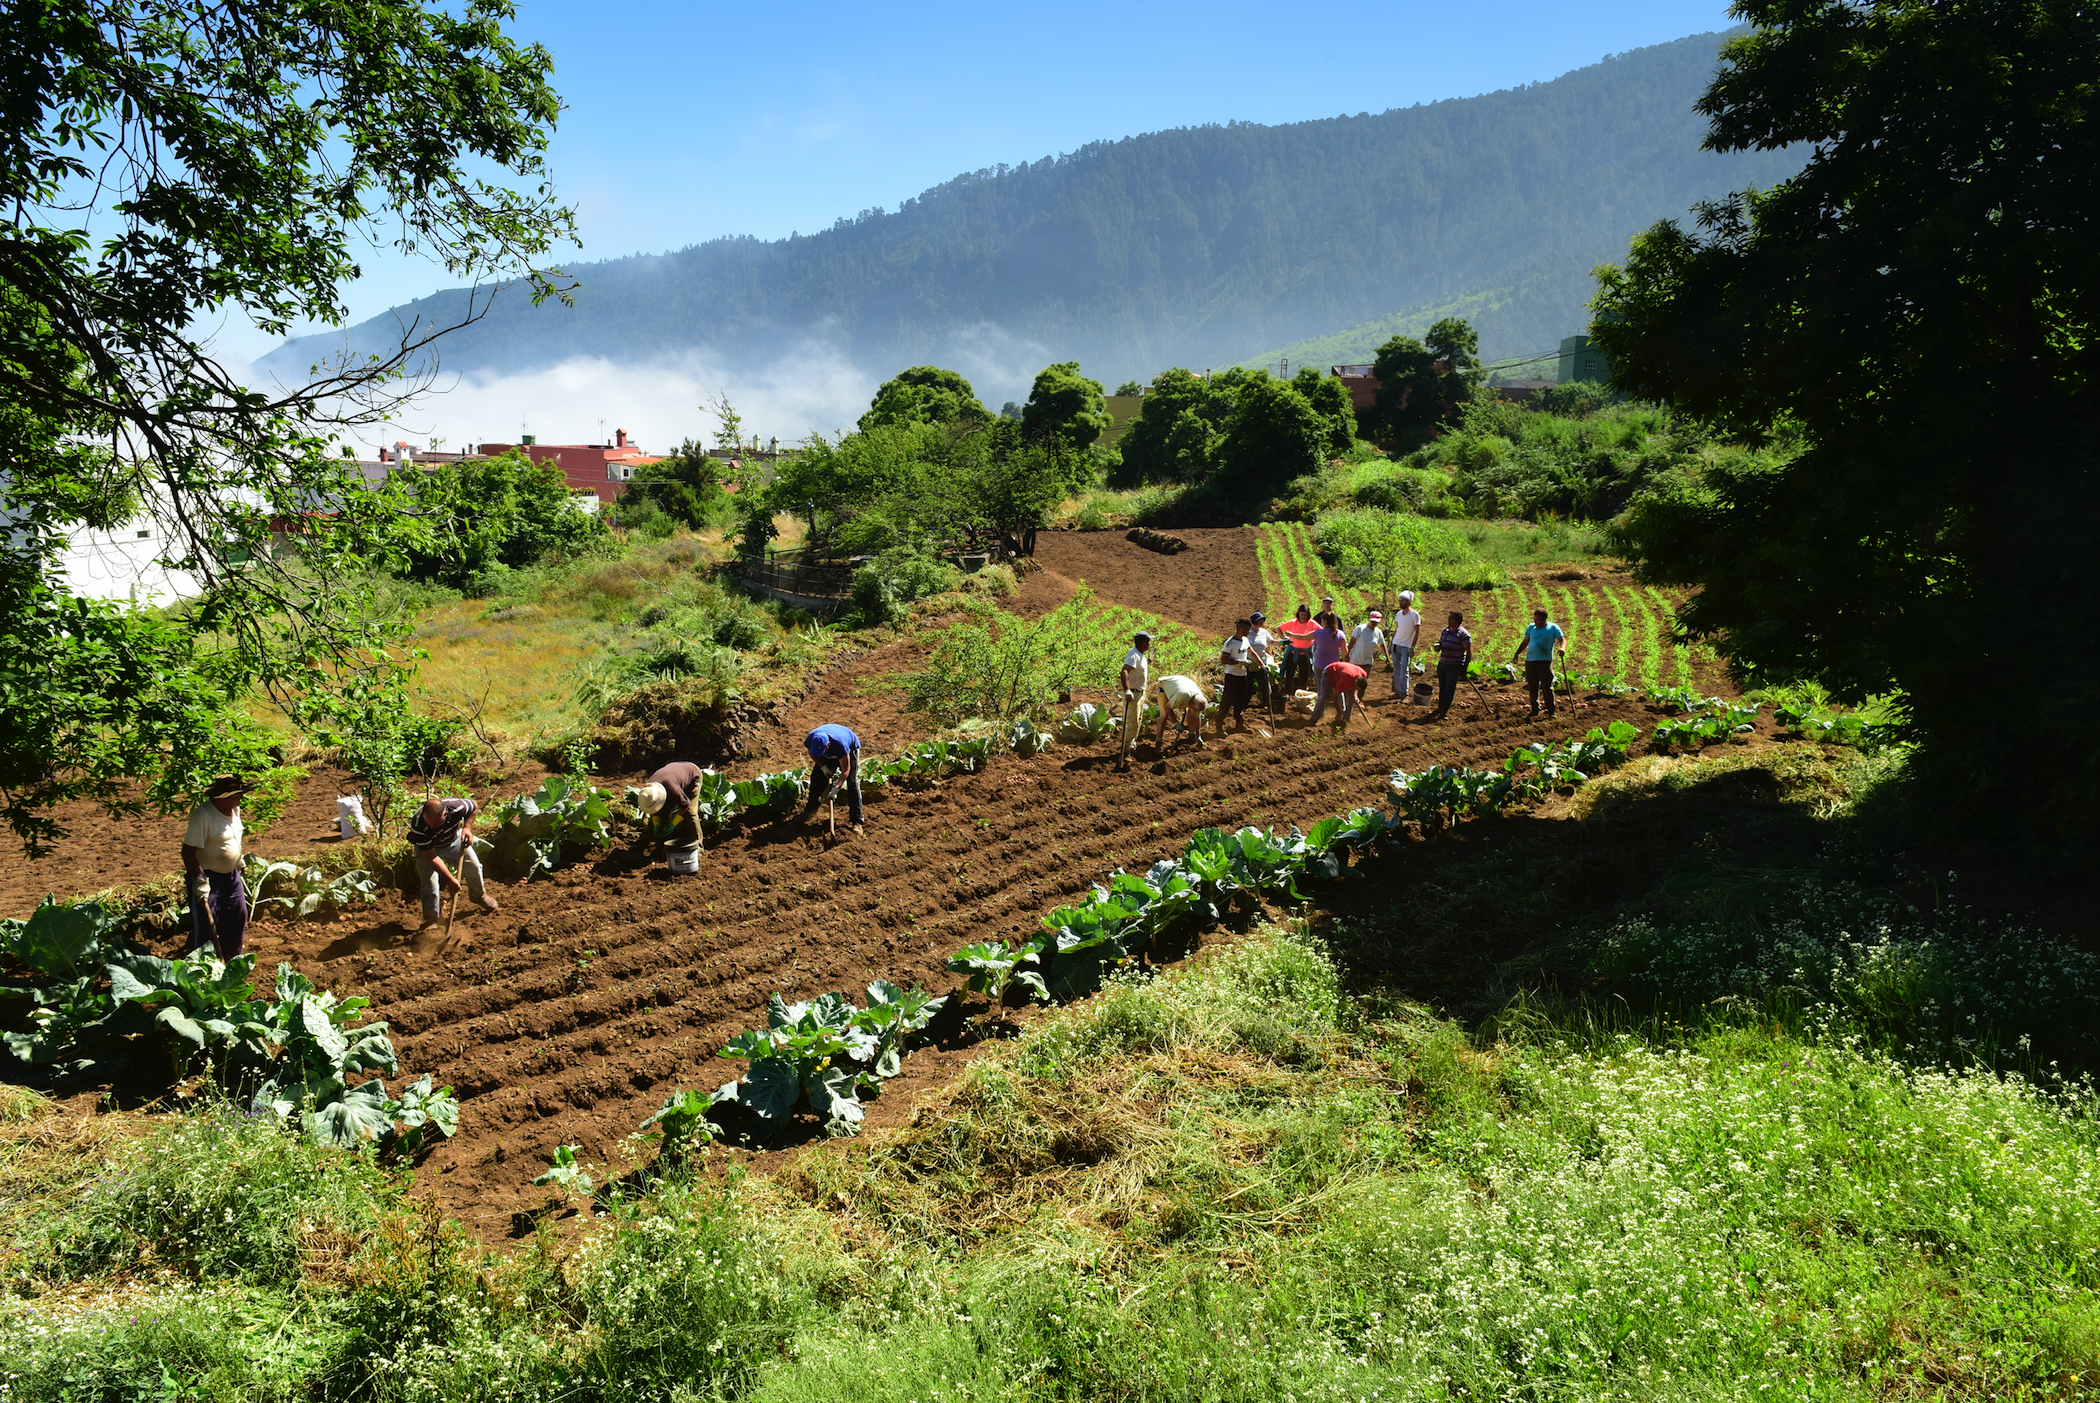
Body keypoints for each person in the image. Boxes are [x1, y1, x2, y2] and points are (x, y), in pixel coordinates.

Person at [181, 774, 250, 957]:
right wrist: (199, 879)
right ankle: (201, 968)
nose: (241, 798)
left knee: (237, 918)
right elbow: (188, 851)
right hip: (210, 878)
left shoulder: (234, 810)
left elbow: (234, 836)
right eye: (237, 794)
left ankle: (232, 962)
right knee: (206, 926)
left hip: (232, 876)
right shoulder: (203, 816)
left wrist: (238, 858)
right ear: (224, 797)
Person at [410, 794, 499, 924]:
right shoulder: (418, 825)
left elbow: (473, 806)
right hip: (428, 849)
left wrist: (467, 828)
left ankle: (478, 896)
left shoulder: (457, 807)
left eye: (435, 823)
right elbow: (432, 857)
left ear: (445, 814)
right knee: (429, 881)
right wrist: (451, 880)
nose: (432, 827)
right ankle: (433, 919)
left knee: (474, 866)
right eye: (429, 823)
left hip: (454, 841)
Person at [635, 760, 708, 852]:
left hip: (692, 775)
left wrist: (673, 824)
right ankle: (644, 839)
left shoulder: (673, 790)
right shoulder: (649, 789)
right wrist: (656, 823)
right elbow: (654, 809)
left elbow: (684, 805)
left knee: (690, 812)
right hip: (673, 774)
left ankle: (697, 845)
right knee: (662, 810)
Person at [802, 724, 864, 831]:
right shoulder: (811, 739)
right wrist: (823, 767)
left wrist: (836, 788)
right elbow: (813, 753)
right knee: (816, 777)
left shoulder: (840, 745)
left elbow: (846, 770)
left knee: (851, 782)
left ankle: (857, 821)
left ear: (828, 745)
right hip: (829, 751)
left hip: (850, 749)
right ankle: (810, 810)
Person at [1513, 608, 1568, 718]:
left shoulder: (1553, 627)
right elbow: (1525, 641)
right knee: (1532, 687)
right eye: (1534, 619)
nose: (1535, 622)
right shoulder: (1531, 627)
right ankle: (1535, 710)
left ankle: (1552, 711)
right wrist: (1517, 653)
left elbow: (1563, 640)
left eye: (1538, 620)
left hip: (1545, 661)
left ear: (1544, 619)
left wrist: (1562, 649)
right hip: (1530, 661)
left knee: (1547, 687)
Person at [1427, 610, 1473, 720]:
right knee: (1442, 687)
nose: (1448, 620)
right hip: (1443, 663)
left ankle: (1444, 711)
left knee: (1449, 689)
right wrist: (1438, 646)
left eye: (1451, 618)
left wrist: (1464, 667)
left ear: (1457, 620)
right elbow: (1441, 643)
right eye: (1448, 618)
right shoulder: (1445, 631)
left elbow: (1469, 651)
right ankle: (1440, 708)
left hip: (1454, 666)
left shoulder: (1463, 634)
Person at [1116, 631, 1151, 770]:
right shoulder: (1133, 654)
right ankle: (1126, 751)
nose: (1149, 644)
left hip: (1140, 694)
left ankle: (1131, 745)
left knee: (1138, 720)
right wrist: (1127, 690)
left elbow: (1139, 669)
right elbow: (1124, 671)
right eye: (1148, 642)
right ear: (1143, 643)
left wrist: (1149, 661)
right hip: (1134, 694)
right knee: (1132, 722)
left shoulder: (1140, 655)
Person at [1306, 610, 1347, 723]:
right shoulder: (1340, 634)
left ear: (1324, 621)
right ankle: (1342, 711)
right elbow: (1345, 652)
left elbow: (1303, 637)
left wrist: (1290, 635)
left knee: (1321, 691)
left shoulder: (1319, 633)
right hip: (1334, 667)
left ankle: (1319, 714)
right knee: (1338, 689)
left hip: (1319, 665)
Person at [1149, 673, 1208, 751]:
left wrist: (1198, 735)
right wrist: (1176, 723)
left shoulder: (1199, 700)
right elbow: (1167, 707)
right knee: (1164, 714)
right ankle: (1158, 742)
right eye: (1195, 708)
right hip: (1164, 685)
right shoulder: (1182, 697)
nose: (1196, 710)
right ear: (1192, 703)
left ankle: (1192, 736)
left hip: (1182, 684)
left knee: (1192, 712)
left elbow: (1197, 718)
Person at [1217, 618, 1256, 732]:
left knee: (1241, 700)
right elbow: (1223, 660)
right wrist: (1239, 662)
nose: (1249, 632)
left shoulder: (1245, 640)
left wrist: (1263, 665)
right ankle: (1219, 725)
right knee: (1227, 701)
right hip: (1231, 676)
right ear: (1242, 629)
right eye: (1248, 630)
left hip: (1242, 675)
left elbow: (1252, 653)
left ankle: (1239, 723)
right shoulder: (1230, 643)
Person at [1311, 660, 1370, 729]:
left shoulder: (1363, 675)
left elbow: (1356, 689)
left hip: (1342, 674)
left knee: (1352, 699)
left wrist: (1355, 696)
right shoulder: (1346, 679)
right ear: (1356, 682)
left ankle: (1346, 719)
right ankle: (1313, 719)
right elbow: (1334, 696)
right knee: (1324, 696)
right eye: (1356, 687)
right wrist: (1338, 711)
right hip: (1330, 672)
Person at [1387, 591, 1424, 698]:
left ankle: (1404, 693)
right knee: (1397, 669)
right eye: (1399, 601)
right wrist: (1391, 643)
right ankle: (1398, 691)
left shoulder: (1414, 615)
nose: (1400, 603)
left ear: (1408, 601)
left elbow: (1417, 631)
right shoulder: (1399, 614)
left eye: (1402, 601)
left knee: (1404, 670)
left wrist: (1412, 646)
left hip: (1406, 646)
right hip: (1396, 644)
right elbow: (1396, 629)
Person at [1278, 605, 1317, 694]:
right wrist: (1284, 638)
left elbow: (1321, 632)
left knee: (1304, 675)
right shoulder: (1293, 622)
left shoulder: (1312, 623)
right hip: (1293, 652)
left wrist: (1315, 641)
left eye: (1305, 615)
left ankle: (1302, 694)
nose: (1303, 617)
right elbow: (1278, 628)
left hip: (1305, 654)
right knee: (1289, 673)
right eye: (1302, 614)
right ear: (1298, 614)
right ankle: (1287, 692)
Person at [1246, 610, 1277, 716]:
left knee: (1264, 684)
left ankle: (1266, 702)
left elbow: (1272, 642)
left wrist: (1284, 642)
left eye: (1262, 620)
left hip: (1262, 663)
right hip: (1249, 663)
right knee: (1247, 685)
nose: (1262, 622)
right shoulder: (1247, 633)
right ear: (1254, 622)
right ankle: (1245, 704)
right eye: (1260, 620)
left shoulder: (1264, 632)